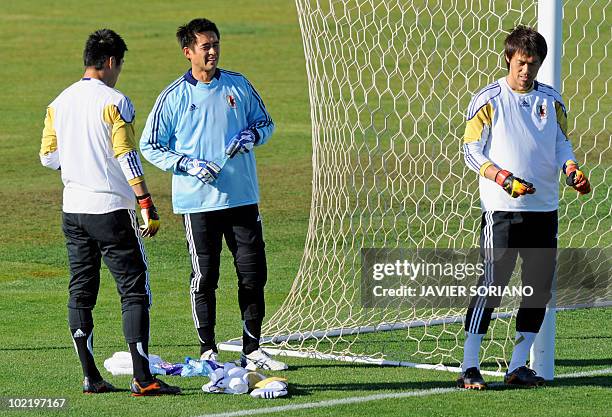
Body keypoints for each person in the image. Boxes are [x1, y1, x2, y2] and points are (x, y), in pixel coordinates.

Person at [140, 18, 287, 371]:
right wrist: (187, 164)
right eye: (205, 46)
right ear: (188, 52)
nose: (213, 51)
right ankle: (208, 348)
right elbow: (150, 145)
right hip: (198, 203)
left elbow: (265, 124)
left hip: (242, 199)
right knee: (206, 277)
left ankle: (252, 348)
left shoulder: (238, 85)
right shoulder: (173, 96)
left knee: (253, 274)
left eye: (216, 44)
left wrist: (253, 137)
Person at [40, 29, 180, 396]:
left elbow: (48, 157)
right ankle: (143, 378)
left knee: (81, 293)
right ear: (112, 62)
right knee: (134, 291)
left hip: (73, 211)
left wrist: (79, 166)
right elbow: (125, 154)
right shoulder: (115, 101)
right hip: (112, 211)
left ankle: (90, 377)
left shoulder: (59, 102)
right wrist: (146, 202)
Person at [458, 25, 591, 389]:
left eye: (532, 64)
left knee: (537, 289)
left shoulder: (552, 100)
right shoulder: (488, 99)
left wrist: (571, 168)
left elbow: (562, 143)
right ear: (508, 58)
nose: (525, 71)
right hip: (501, 210)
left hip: (544, 209)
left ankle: (518, 365)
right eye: (520, 63)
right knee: (492, 285)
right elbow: (470, 149)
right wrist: (502, 178)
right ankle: (470, 365)